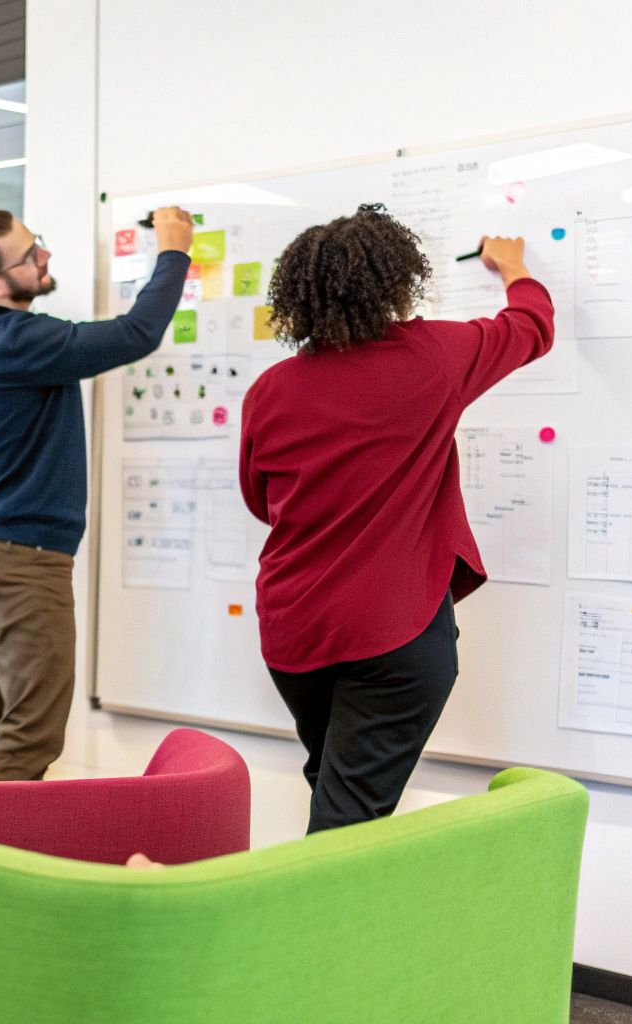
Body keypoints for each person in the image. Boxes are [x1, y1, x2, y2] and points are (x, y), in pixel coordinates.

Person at [238, 205, 553, 833]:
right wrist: (514, 267)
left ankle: (316, 892)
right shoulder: (435, 356)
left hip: (295, 630)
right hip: (393, 632)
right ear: (396, 281)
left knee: (336, 790)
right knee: (349, 816)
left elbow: (260, 499)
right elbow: (530, 326)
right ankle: (312, 902)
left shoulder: (270, 389)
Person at [0, 206, 195, 785]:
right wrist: (174, 250)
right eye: (30, 254)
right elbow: (136, 333)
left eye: (38, 243)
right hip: (23, 562)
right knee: (34, 732)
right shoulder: (17, 341)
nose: (45, 256)